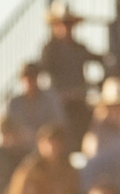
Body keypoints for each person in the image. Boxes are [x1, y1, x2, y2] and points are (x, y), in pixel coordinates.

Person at [39, 2, 102, 151]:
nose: (66, 28)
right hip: (60, 103)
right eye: (62, 23)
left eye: (69, 24)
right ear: (55, 26)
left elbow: (100, 59)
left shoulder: (79, 48)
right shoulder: (50, 50)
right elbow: (43, 71)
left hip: (80, 100)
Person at [6, 122, 84, 194]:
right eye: (47, 143)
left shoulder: (69, 169)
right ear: (39, 144)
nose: (51, 147)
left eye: (55, 143)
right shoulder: (29, 170)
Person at [5, 62, 67, 150]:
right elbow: (9, 127)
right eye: (26, 76)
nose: (29, 80)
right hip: (21, 146)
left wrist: (43, 134)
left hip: (46, 145)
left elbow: (59, 122)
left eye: (32, 76)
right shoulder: (14, 103)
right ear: (21, 79)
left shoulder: (50, 98)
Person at [80, 77, 120, 193]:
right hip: (108, 193)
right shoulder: (96, 134)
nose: (116, 111)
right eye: (112, 107)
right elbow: (92, 155)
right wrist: (98, 122)